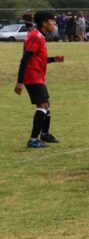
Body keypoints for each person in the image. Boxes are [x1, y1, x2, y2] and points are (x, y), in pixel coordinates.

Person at [14, 11, 64, 148]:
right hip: (32, 77)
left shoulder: (40, 36)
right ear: (44, 23)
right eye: (52, 21)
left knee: (46, 104)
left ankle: (45, 134)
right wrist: (20, 81)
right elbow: (25, 59)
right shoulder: (36, 36)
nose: (54, 24)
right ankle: (33, 140)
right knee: (43, 106)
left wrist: (53, 59)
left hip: (37, 76)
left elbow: (38, 59)